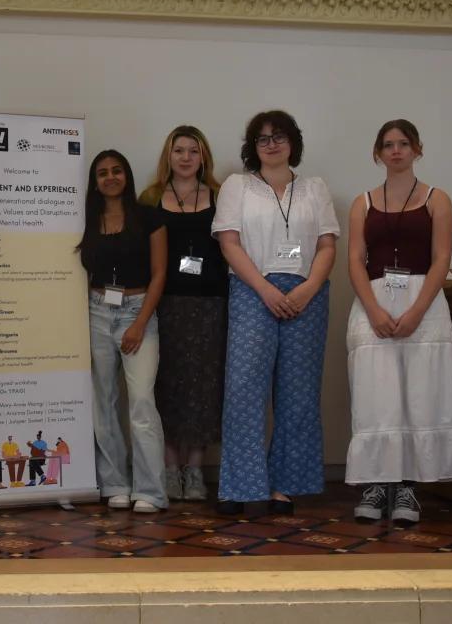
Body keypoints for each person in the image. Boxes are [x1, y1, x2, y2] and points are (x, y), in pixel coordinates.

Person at [345, 119, 452, 524]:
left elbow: (442, 258)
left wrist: (418, 310)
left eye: (404, 144)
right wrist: (373, 309)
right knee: (376, 397)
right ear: (377, 152)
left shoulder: (438, 199)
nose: (396, 151)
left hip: (423, 305)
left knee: (420, 395)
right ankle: (376, 483)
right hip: (374, 303)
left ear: (417, 149)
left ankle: (406, 488)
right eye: (388, 144)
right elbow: (355, 260)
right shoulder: (362, 203)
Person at [211, 110, 339, 516]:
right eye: (263, 138)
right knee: (244, 391)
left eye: (279, 136)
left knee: (298, 396)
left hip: (307, 294)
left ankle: (284, 486)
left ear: (292, 142)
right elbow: (229, 243)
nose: (271, 144)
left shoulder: (315, 188)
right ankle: (241, 487)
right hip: (253, 290)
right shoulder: (238, 186)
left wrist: (308, 289)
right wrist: (265, 289)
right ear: (253, 146)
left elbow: (327, 246)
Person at [139, 126, 227, 502]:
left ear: (203, 156)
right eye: (179, 151)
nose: (186, 157)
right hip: (166, 304)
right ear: (168, 155)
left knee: (203, 387)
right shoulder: (151, 198)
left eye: (194, 151)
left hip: (210, 305)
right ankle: (170, 468)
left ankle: (195, 469)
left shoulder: (223, 196)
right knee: (167, 384)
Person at [78, 150, 168, 513]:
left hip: (138, 311)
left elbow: (160, 273)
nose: (110, 177)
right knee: (103, 403)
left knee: (142, 402)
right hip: (97, 312)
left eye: (116, 171)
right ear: (95, 181)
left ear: (127, 175)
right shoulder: (86, 219)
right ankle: (114, 482)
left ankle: (150, 490)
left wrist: (140, 322)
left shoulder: (148, 216)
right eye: (102, 173)